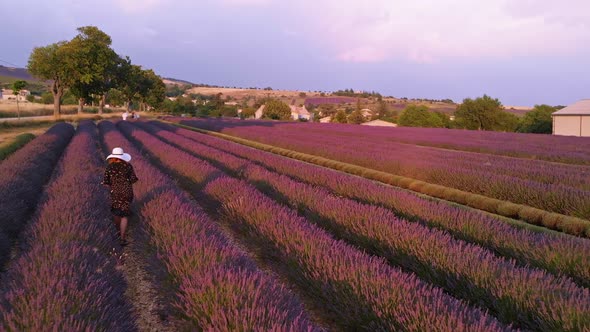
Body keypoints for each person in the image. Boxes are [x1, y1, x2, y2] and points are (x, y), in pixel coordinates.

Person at [102, 147, 138, 246]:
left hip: (115, 192)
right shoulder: (128, 166)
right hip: (127, 192)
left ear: (113, 157)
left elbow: (106, 182)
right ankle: (122, 238)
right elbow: (133, 179)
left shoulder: (110, 167)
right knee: (125, 214)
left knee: (116, 212)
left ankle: (117, 232)